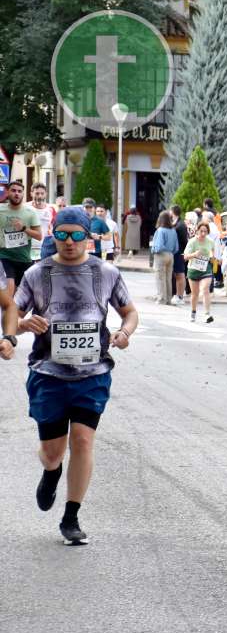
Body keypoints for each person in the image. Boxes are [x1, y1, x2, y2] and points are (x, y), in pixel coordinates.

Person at [12, 206, 139, 545]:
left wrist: (125, 333)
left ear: (88, 236)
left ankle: (71, 517)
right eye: (63, 234)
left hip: (92, 373)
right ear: (54, 234)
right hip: (48, 374)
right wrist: (22, 325)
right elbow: (14, 313)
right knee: (53, 452)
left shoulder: (107, 273)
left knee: (82, 440)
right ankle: (51, 472)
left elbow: (129, 312)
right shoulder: (36, 274)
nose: (70, 242)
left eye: (77, 235)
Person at [0, 181, 43, 287]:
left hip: (24, 258)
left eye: (20, 191)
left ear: (23, 194)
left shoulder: (30, 212)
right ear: (7, 192)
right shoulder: (1, 210)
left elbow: (39, 236)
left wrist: (24, 228)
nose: (16, 194)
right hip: (4, 256)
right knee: (9, 287)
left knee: (22, 295)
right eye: (13, 190)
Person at [183, 221, 216, 323]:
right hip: (193, 270)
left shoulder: (210, 241)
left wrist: (212, 257)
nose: (203, 233)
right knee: (195, 294)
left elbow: (213, 252)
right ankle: (193, 312)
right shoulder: (192, 242)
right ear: (197, 231)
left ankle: (207, 314)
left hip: (206, 269)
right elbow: (185, 257)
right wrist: (194, 254)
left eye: (205, 231)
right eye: (201, 231)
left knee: (205, 289)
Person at [150, 211, 179, 304]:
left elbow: (159, 246)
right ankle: (168, 299)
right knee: (168, 278)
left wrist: (153, 250)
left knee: (160, 277)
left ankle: (162, 298)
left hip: (161, 255)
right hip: (171, 255)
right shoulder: (173, 230)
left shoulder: (160, 230)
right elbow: (176, 247)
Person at [29, 183, 54, 262]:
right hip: (29, 248)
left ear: (45, 194)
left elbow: (55, 227)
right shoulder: (25, 208)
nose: (39, 196)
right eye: (37, 193)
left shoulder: (51, 209)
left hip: (45, 248)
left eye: (42, 193)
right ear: (31, 193)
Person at [169, 205, 188, 302]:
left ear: (173, 212)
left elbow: (184, 240)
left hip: (179, 252)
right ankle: (177, 295)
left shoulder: (180, 225)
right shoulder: (176, 223)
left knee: (180, 274)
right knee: (177, 275)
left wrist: (183, 253)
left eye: (170, 211)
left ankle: (180, 296)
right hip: (176, 252)